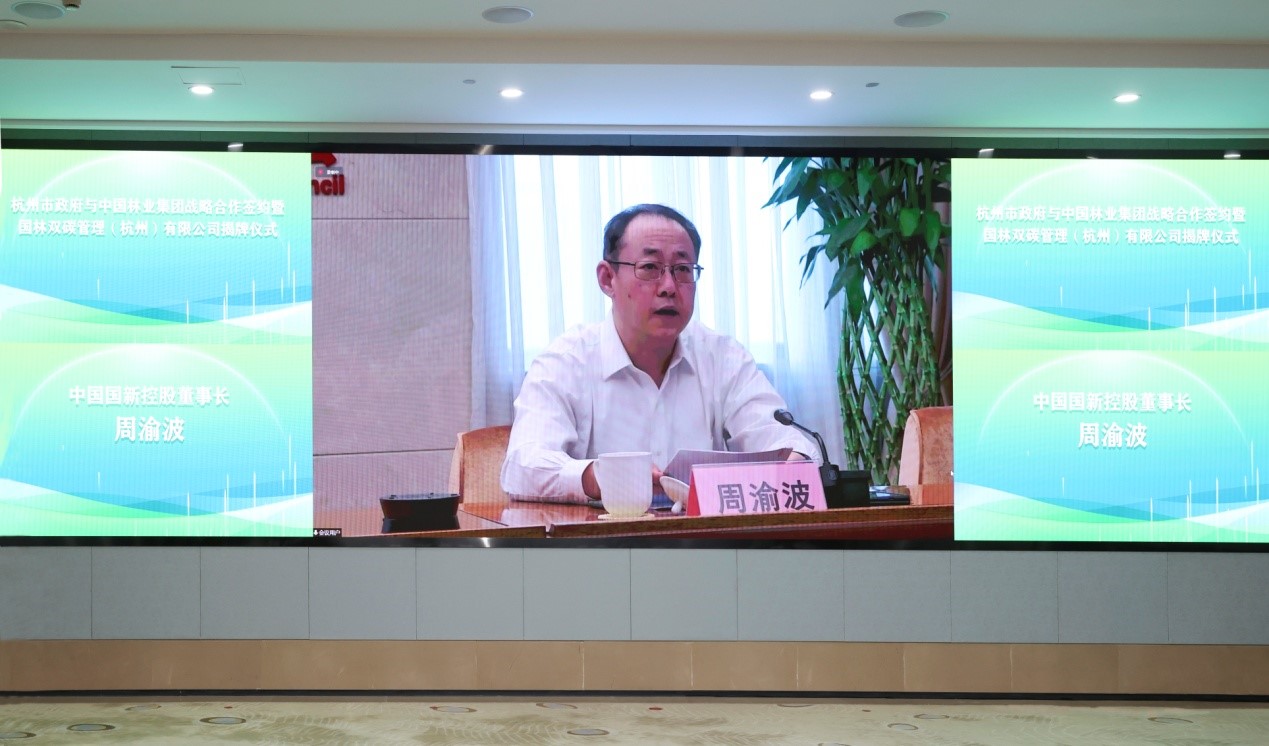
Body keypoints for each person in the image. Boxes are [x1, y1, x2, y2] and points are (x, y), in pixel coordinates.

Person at [500, 203, 817, 503]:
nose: (669, 286)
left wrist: (794, 463)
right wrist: (598, 477)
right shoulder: (565, 363)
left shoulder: (723, 358)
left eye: (682, 269)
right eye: (650, 268)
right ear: (607, 279)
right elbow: (522, 467)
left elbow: (787, 442)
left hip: (705, 538)